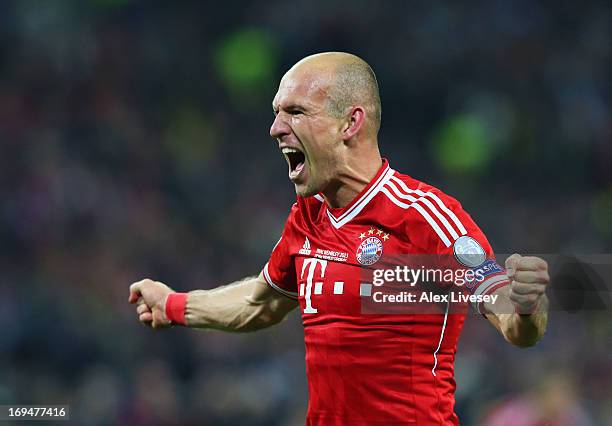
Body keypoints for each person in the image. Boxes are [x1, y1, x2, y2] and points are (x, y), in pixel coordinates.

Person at [128, 52, 550, 425]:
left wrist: (528, 306)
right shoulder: (308, 217)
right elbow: (261, 302)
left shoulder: (422, 216)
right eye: (277, 113)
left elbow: (512, 321)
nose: (276, 128)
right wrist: (174, 304)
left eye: (295, 112)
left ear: (351, 122)